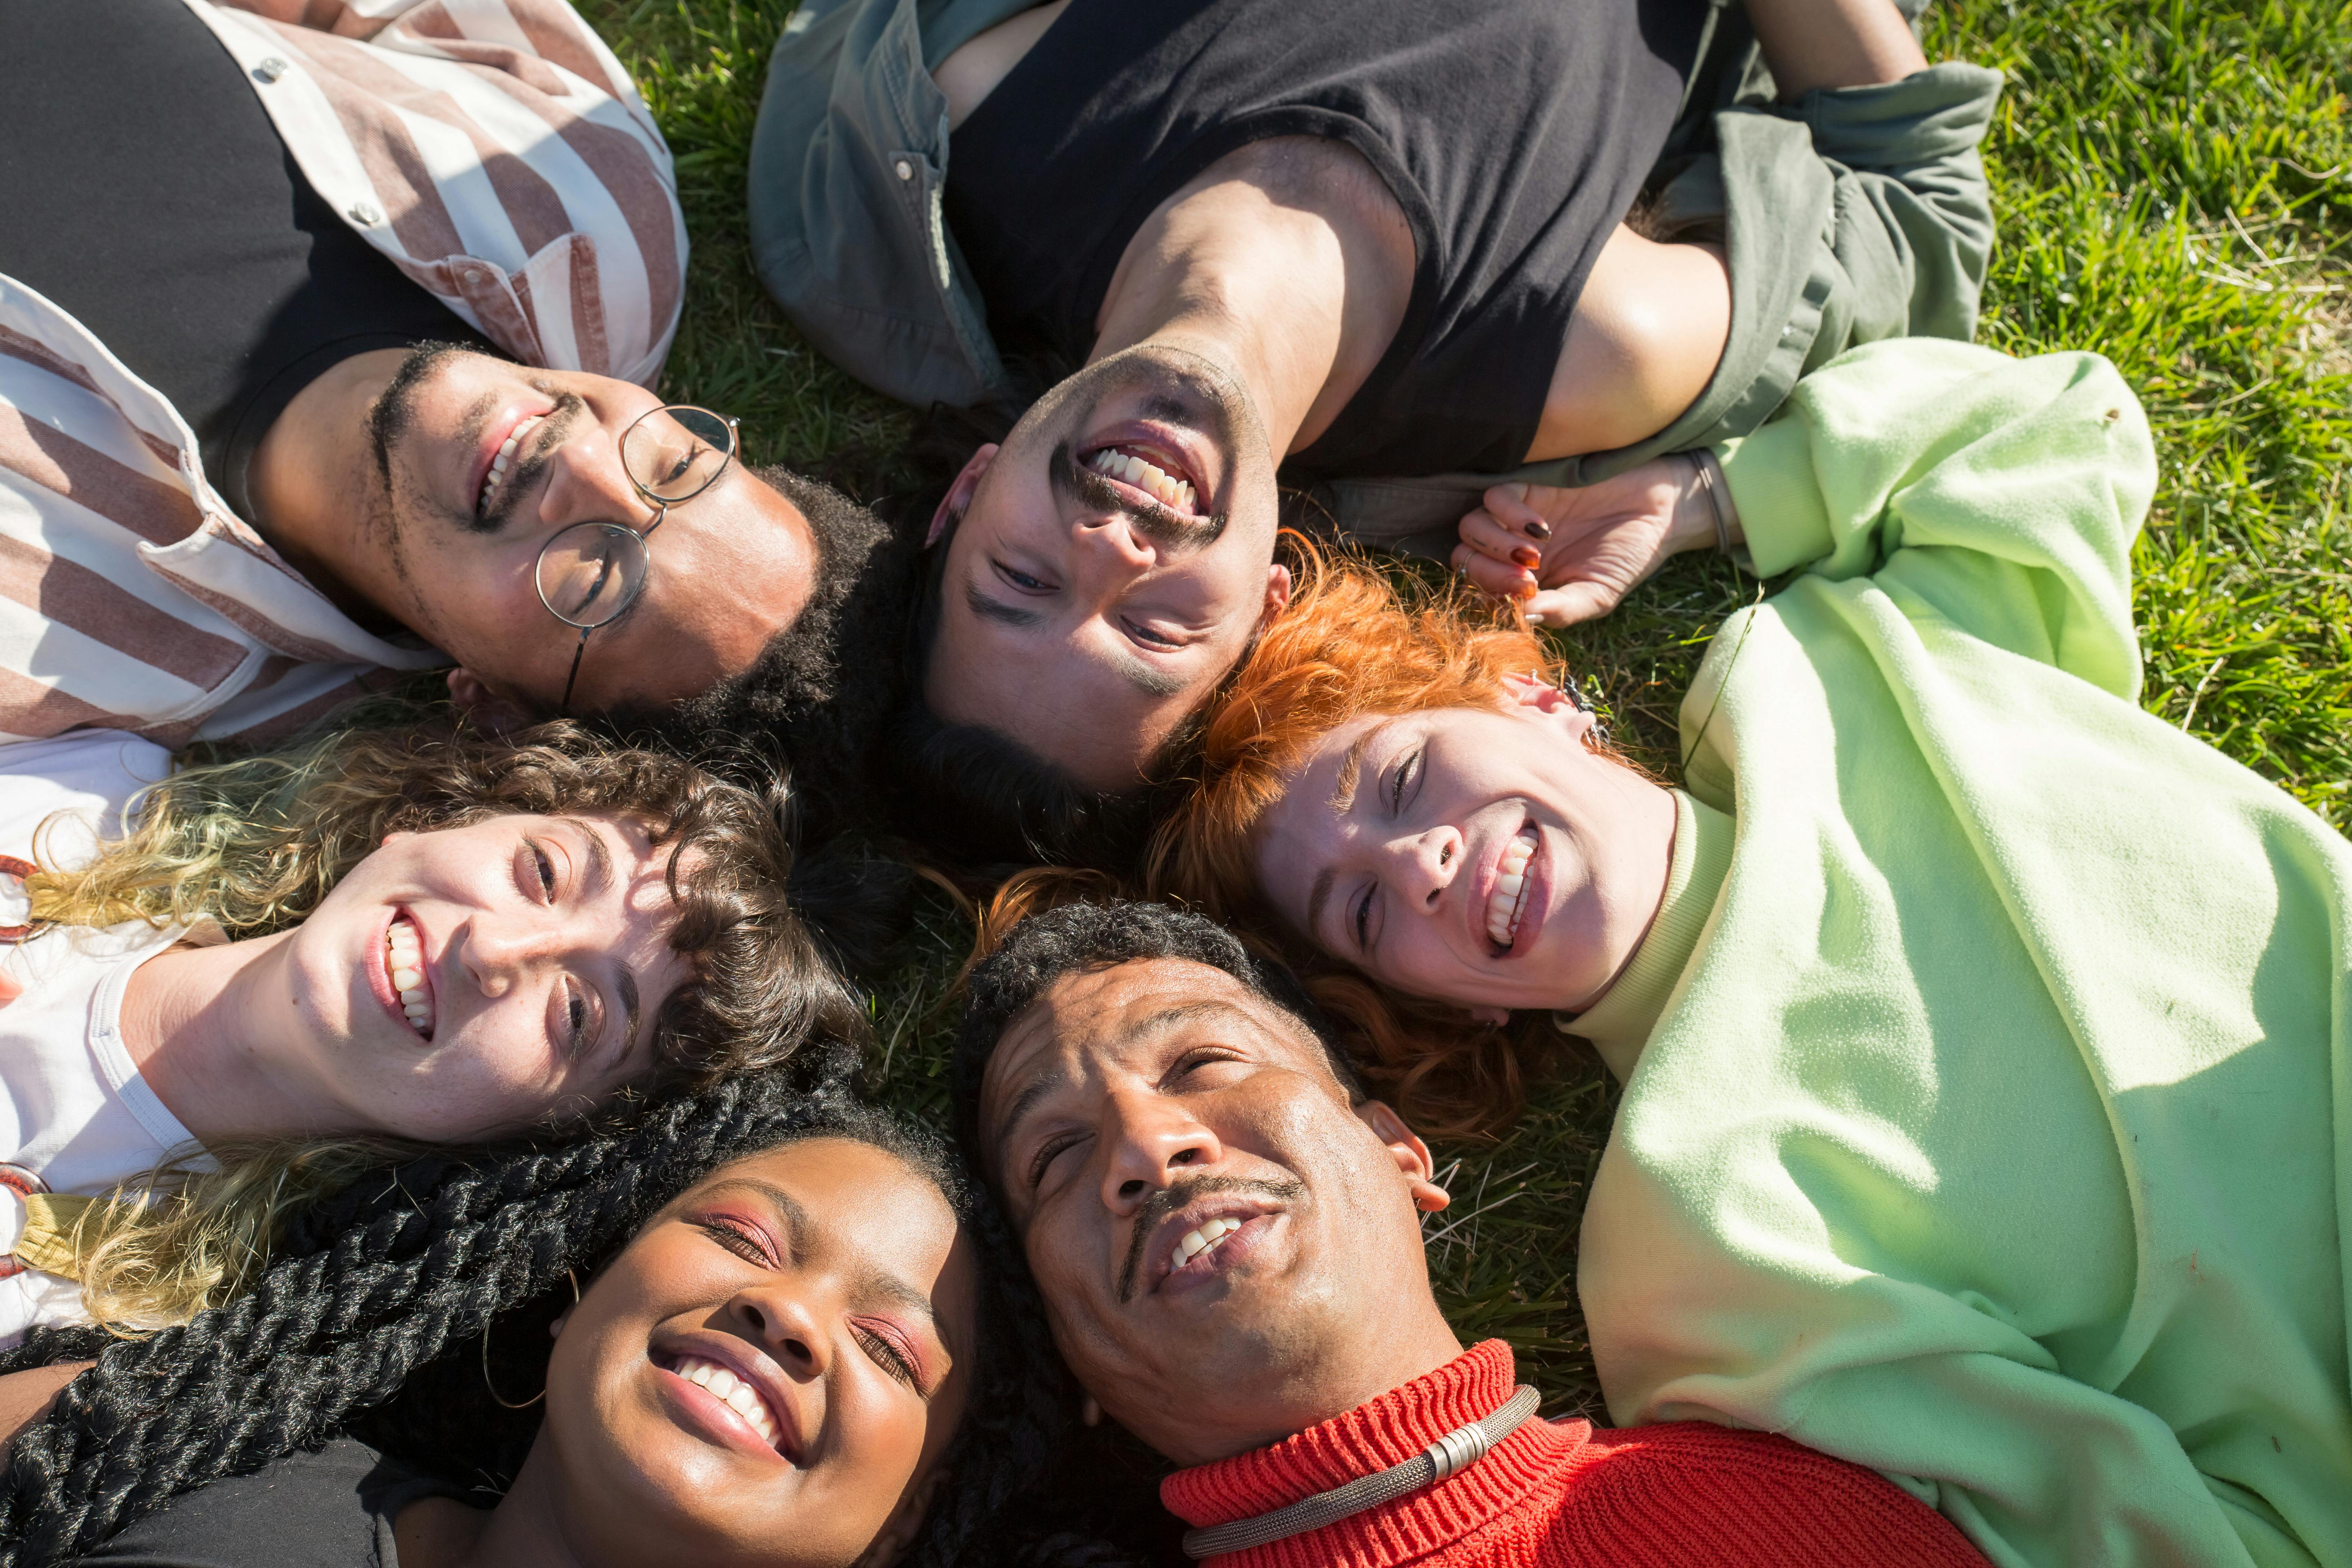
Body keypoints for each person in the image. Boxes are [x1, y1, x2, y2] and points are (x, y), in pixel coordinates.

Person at [1147, 337, 2352, 1564]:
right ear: (1448, 1011)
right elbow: (2105, 1523)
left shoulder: (1830, 671)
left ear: (1531, 699)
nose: (1419, 864)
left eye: (1399, 780)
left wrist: (1708, 497)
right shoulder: (1688, 1247)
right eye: (1364, 913)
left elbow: (2049, 417)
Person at [749, 0, 2000, 851]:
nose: (1112, 552)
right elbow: (1917, 199)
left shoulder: (978, 115)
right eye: (1156, 627)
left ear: (967, 493)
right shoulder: (1587, 348)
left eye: (1020, 578)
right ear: (1273, 594)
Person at [0, 0, 913, 799]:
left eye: (599, 582)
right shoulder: (586, 209)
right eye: (677, 466)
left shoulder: (87, 654)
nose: (584, 465)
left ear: (499, 711)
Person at [948, 898, 1993, 1565]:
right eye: (1055, 1157)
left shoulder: (1791, 1512)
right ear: (1062, 1353)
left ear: (1398, 1152)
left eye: (1202, 1065)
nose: (1146, 1145)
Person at [0, 717, 880, 1346]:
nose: (496, 950)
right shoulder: (87, 780)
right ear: (439, 821)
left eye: (580, 1013)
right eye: (544, 870)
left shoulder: (101, 1328)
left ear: (538, 1137)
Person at [0, 1070, 1087, 1568]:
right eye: (744, 1239)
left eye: (889, 1349)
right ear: (576, 1299)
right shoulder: (181, 1440)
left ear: (908, 1523)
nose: (789, 1310)